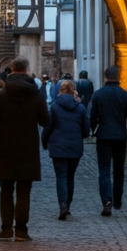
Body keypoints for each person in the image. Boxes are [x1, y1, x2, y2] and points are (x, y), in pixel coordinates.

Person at [0, 57, 50, 241]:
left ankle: (6, 229)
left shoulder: (1, 93)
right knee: (24, 190)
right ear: (26, 70)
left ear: (11, 70)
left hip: (5, 146)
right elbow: (45, 120)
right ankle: (21, 231)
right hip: (28, 147)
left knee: (5, 190)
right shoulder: (36, 94)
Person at [89, 65, 127, 217]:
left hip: (103, 136)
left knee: (104, 170)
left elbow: (92, 116)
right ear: (118, 77)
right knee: (118, 170)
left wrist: (92, 129)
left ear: (105, 76)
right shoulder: (125, 95)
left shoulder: (98, 95)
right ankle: (117, 199)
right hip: (120, 137)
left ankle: (106, 201)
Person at [42, 79, 90, 220]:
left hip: (58, 146)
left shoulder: (55, 107)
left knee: (61, 176)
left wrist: (44, 142)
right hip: (75, 147)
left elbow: (48, 127)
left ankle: (62, 205)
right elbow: (86, 131)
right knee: (70, 176)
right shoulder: (80, 108)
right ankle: (68, 204)